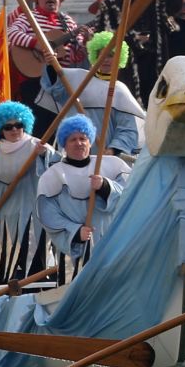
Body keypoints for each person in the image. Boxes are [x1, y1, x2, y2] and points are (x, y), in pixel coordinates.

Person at [38, 112, 131, 273]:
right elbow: (48, 215)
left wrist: (105, 186)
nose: (79, 143)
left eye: (83, 139)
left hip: (110, 246)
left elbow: (131, 196)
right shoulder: (52, 175)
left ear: (90, 142)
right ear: (64, 145)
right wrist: (74, 231)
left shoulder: (113, 165)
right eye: (73, 139)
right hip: (76, 254)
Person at [0, 101, 50, 282]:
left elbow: (59, 168)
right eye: (9, 127)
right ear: (0, 130)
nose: (15, 130)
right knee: (8, 263)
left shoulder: (37, 146)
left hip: (34, 214)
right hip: (8, 218)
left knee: (36, 260)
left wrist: (45, 156)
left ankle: (39, 289)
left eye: (19, 125)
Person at [8, 0, 84, 102]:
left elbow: (76, 57)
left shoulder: (68, 22)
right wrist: (37, 44)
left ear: (60, 1)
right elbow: (12, 32)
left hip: (60, 79)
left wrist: (84, 40)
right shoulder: (29, 17)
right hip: (33, 77)